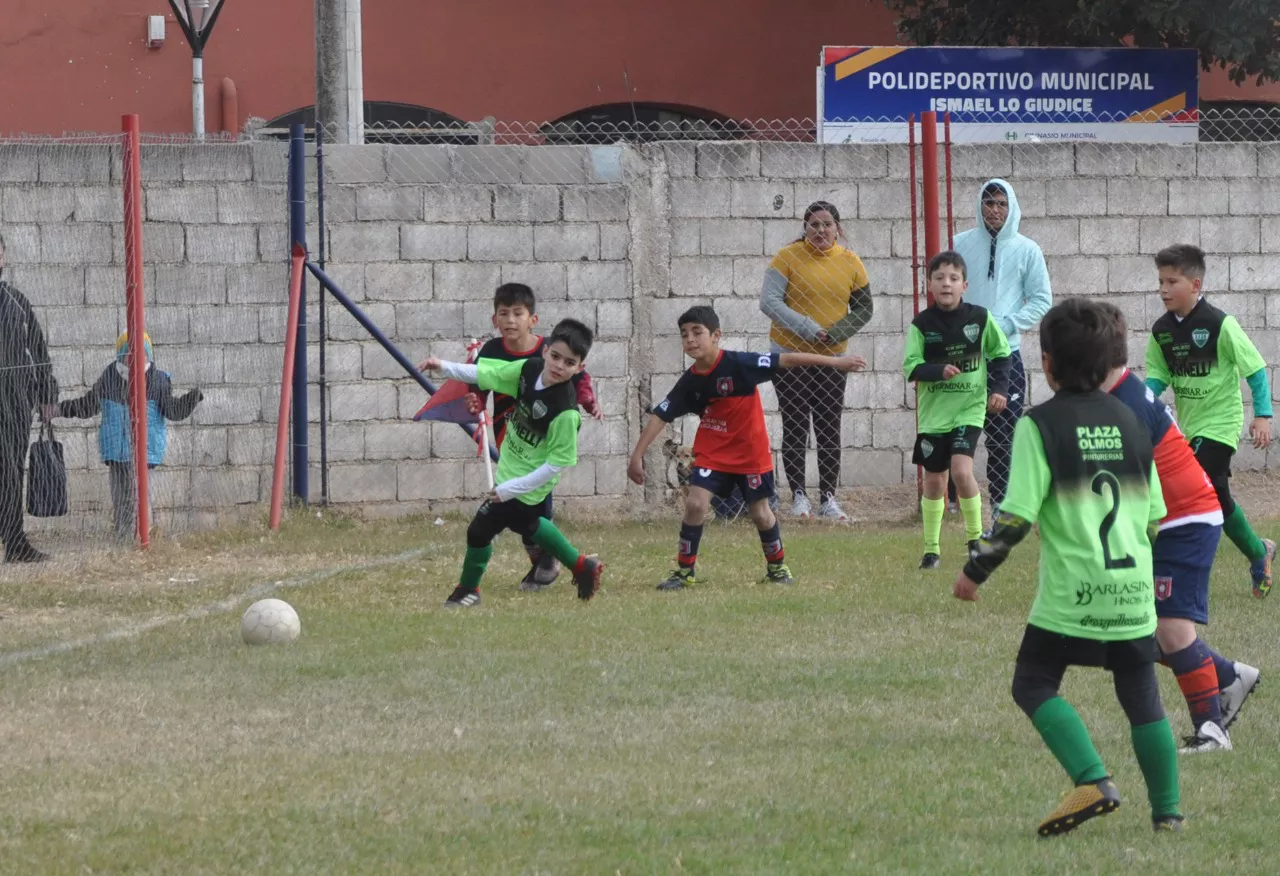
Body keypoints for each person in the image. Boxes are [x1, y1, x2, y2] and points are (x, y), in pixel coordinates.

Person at [954, 298, 1183, 836]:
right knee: (1142, 698)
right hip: (1132, 595)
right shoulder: (1134, 421)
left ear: (1047, 363)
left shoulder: (1039, 425)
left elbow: (1015, 517)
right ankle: (1168, 813)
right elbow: (1155, 516)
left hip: (1072, 598)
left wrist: (974, 571)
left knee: (1032, 683)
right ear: (1108, 364)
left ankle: (1093, 779)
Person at [1096, 302, 1259, 753]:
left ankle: (1211, 728)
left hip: (1186, 519)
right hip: (1175, 519)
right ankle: (1227, 675)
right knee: (1140, 630)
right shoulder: (1119, 395)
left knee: (1170, 630)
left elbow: (1133, 487)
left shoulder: (1123, 406)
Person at [627, 305, 866, 591]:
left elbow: (788, 358)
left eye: (697, 332)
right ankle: (684, 572)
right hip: (713, 452)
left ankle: (777, 568)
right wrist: (637, 455)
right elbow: (660, 415)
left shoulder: (739, 364)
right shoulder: (690, 381)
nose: (690, 339)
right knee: (695, 504)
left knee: (760, 513)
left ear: (716, 336)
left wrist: (836, 362)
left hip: (750, 452)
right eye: (684, 334)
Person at [419, 318, 603, 608]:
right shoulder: (529, 369)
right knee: (528, 525)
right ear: (545, 351)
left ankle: (467, 591)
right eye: (555, 356)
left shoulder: (566, 413)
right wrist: (444, 366)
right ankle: (580, 566)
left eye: (569, 363)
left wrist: (512, 489)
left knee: (479, 530)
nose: (559, 366)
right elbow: (486, 372)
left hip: (529, 483)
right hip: (511, 471)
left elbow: (556, 465)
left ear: (580, 368)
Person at [1144, 244, 1276, 598]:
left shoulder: (1221, 324)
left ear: (1196, 285)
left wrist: (1263, 415)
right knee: (1215, 493)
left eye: (1172, 282)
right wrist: (1138, 404)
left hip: (1221, 424)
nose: (1163, 289)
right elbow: (1157, 378)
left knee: (1195, 485)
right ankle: (1259, 551)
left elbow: (1255, 369)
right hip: (1190, 427)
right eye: (1160, 282)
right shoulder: (1161, 331)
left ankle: (1171, 569)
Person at [465, 283, 602, 592]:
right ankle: (558, 562)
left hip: (540, 440)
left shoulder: (551, 351)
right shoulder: (492, 351)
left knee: (530, 503)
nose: (510, 320)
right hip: (510, 432)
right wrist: (475, 400)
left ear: (533, 320)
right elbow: (479, 380)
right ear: (494, 320)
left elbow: (580, 377)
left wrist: (587, 400)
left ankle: (549, 564)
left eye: (518, 313)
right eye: (504, 314)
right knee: (521, 509)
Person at [760, 200, 872, 522]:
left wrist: (836, 333)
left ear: (838, 229)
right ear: (805, 228)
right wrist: (809, 328)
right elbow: (769, 302)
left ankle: (828, 498)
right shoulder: (787, 257)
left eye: (827, 224)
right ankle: (798, 496)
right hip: (790, 356)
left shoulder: (851, 262)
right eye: (814, 225)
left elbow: (864, 308)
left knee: (828, 425)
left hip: (832, 358)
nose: (821, 230)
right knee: (795, 423)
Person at [951, 180, 1052, 524]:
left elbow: (1041, 299)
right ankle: (951, 500)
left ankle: (1001, 503)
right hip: (962, 353)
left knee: (1002, 433)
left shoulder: (1028, 249)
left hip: (1004, 355)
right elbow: (944, 286)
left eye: (1001, 203)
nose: (994, 209)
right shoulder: (959, 244)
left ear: (1011, 208)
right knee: (954, 427)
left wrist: (1005, 325)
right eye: (988, 202)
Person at [903, 251, 1010, 570]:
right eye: (939, 278)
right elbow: (911, 366)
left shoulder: (980, 318)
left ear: (964, 285)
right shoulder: (921, 325)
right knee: (935, 481)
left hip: (969, 408)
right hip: (934, 415)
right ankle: (931, 550)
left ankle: (976, 541)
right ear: (929, 285)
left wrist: (999, 389)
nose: (946, 284)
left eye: (953, 278)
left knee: (962, 472)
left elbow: (1001, 354)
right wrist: (937, 371)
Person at [56, 332, 202, 540]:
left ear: (149, 355)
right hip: (117, 452)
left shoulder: (158, 380)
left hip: (146, 451)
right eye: (129, 355)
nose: (135, 360)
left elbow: (173, 411)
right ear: (120, 356)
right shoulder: (109, 377)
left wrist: (191, 399)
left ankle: (143, 536)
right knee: (122, 497)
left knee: (141, 497)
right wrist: (58, 409)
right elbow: (86, 406)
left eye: (142, 354)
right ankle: (124, 538)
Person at [0, 232, 57, 562]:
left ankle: (15, 542)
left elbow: (39, 352)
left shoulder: (17, 302)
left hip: (14, 405)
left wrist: (47, 395)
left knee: (11, 474)